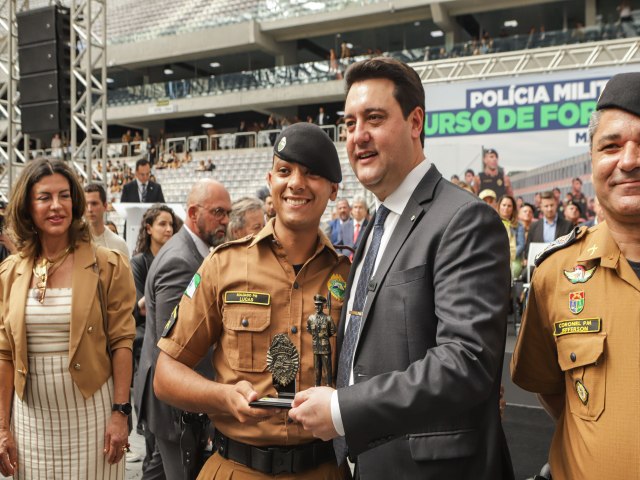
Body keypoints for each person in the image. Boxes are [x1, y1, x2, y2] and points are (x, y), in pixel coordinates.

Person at [288, 57, 513, 479]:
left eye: (374, 118)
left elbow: (465, 362)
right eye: (350, 123)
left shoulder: (463, 219)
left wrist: (341, 410)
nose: (358, 136)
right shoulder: (376, 221)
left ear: (415, 122)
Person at [153, 123, 351, 478]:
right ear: (270, 180)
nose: (296, 183)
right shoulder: (223, 264)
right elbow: (166, 375)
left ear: (334, 189)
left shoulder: (350, 275)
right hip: (237, 467)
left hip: (322, 468)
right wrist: (223, 397)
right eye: (285, 171)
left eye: (312, 173)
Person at [511, 72, 640, 480]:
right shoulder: (555, 274)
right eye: (611, 146)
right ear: (592, 161)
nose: (629, 159)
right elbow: (551, 389)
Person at [0, 159, 135, 478]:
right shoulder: (9, 273)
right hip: (30, 424)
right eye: (44, 197)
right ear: (27, 206)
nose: (56, 205)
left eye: (64, 195)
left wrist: (120, 413)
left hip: (93, 420)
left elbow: (122, 342)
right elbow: (4, 353)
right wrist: (2, 427)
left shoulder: (108, 265)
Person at [133, 179, 229, 480]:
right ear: (192, 212)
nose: (225, 220)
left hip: (173, 403)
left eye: (227, 212)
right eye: (217, 212)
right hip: (175, 406)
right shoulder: (181, 261)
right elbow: (175, 347)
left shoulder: (191, 251)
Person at [84, 183, 129, 258]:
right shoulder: (75, 242)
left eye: (94, 204)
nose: (89, 209)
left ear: (105, 206)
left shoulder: (119, 244)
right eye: (85, 204)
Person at [525, 190, 574, 258]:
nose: (549, 209)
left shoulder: (568, 225)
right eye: (546, 206)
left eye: (551, 205)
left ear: (556, 204)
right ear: (541, 207)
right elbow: (528, 250)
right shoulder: (533, 226)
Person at [498, 195, 525, 279]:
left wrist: (509, 256)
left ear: (513, 209)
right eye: (504, 205)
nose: (506, 208)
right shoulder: (494, 222)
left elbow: (521, 244)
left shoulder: (519, 225)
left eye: (509, 206)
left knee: (513, 270)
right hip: (497, 257)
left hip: (514, 258)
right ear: (499, 206)